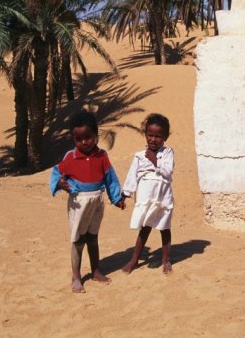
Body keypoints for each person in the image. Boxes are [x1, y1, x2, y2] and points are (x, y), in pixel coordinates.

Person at [49, 111, 125, 293]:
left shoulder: (102, 156)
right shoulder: (70, 157)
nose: (84, 142)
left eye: (88, 137)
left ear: (96, 136)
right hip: (79, 203)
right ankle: (76, 277)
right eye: (78, 139)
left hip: (97, 201)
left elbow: (110, 178)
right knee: (78, 239)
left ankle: (96, 271)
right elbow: (56, 174)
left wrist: (116, 198)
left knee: (93, 237)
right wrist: (60, 183)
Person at [119, 113, 175, 274]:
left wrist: (154, 161)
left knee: (165, 227)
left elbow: (168, 171)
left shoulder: (168, 153)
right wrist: (125, 194)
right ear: (145, 135)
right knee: (145, 227)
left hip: (163, 196)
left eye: (158, 136)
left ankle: (166, 260)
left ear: (165, 137)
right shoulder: (138, 155)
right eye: (150, 135)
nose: (153, 139)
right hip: (146, 196)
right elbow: (132, 176)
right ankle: (134, 260)